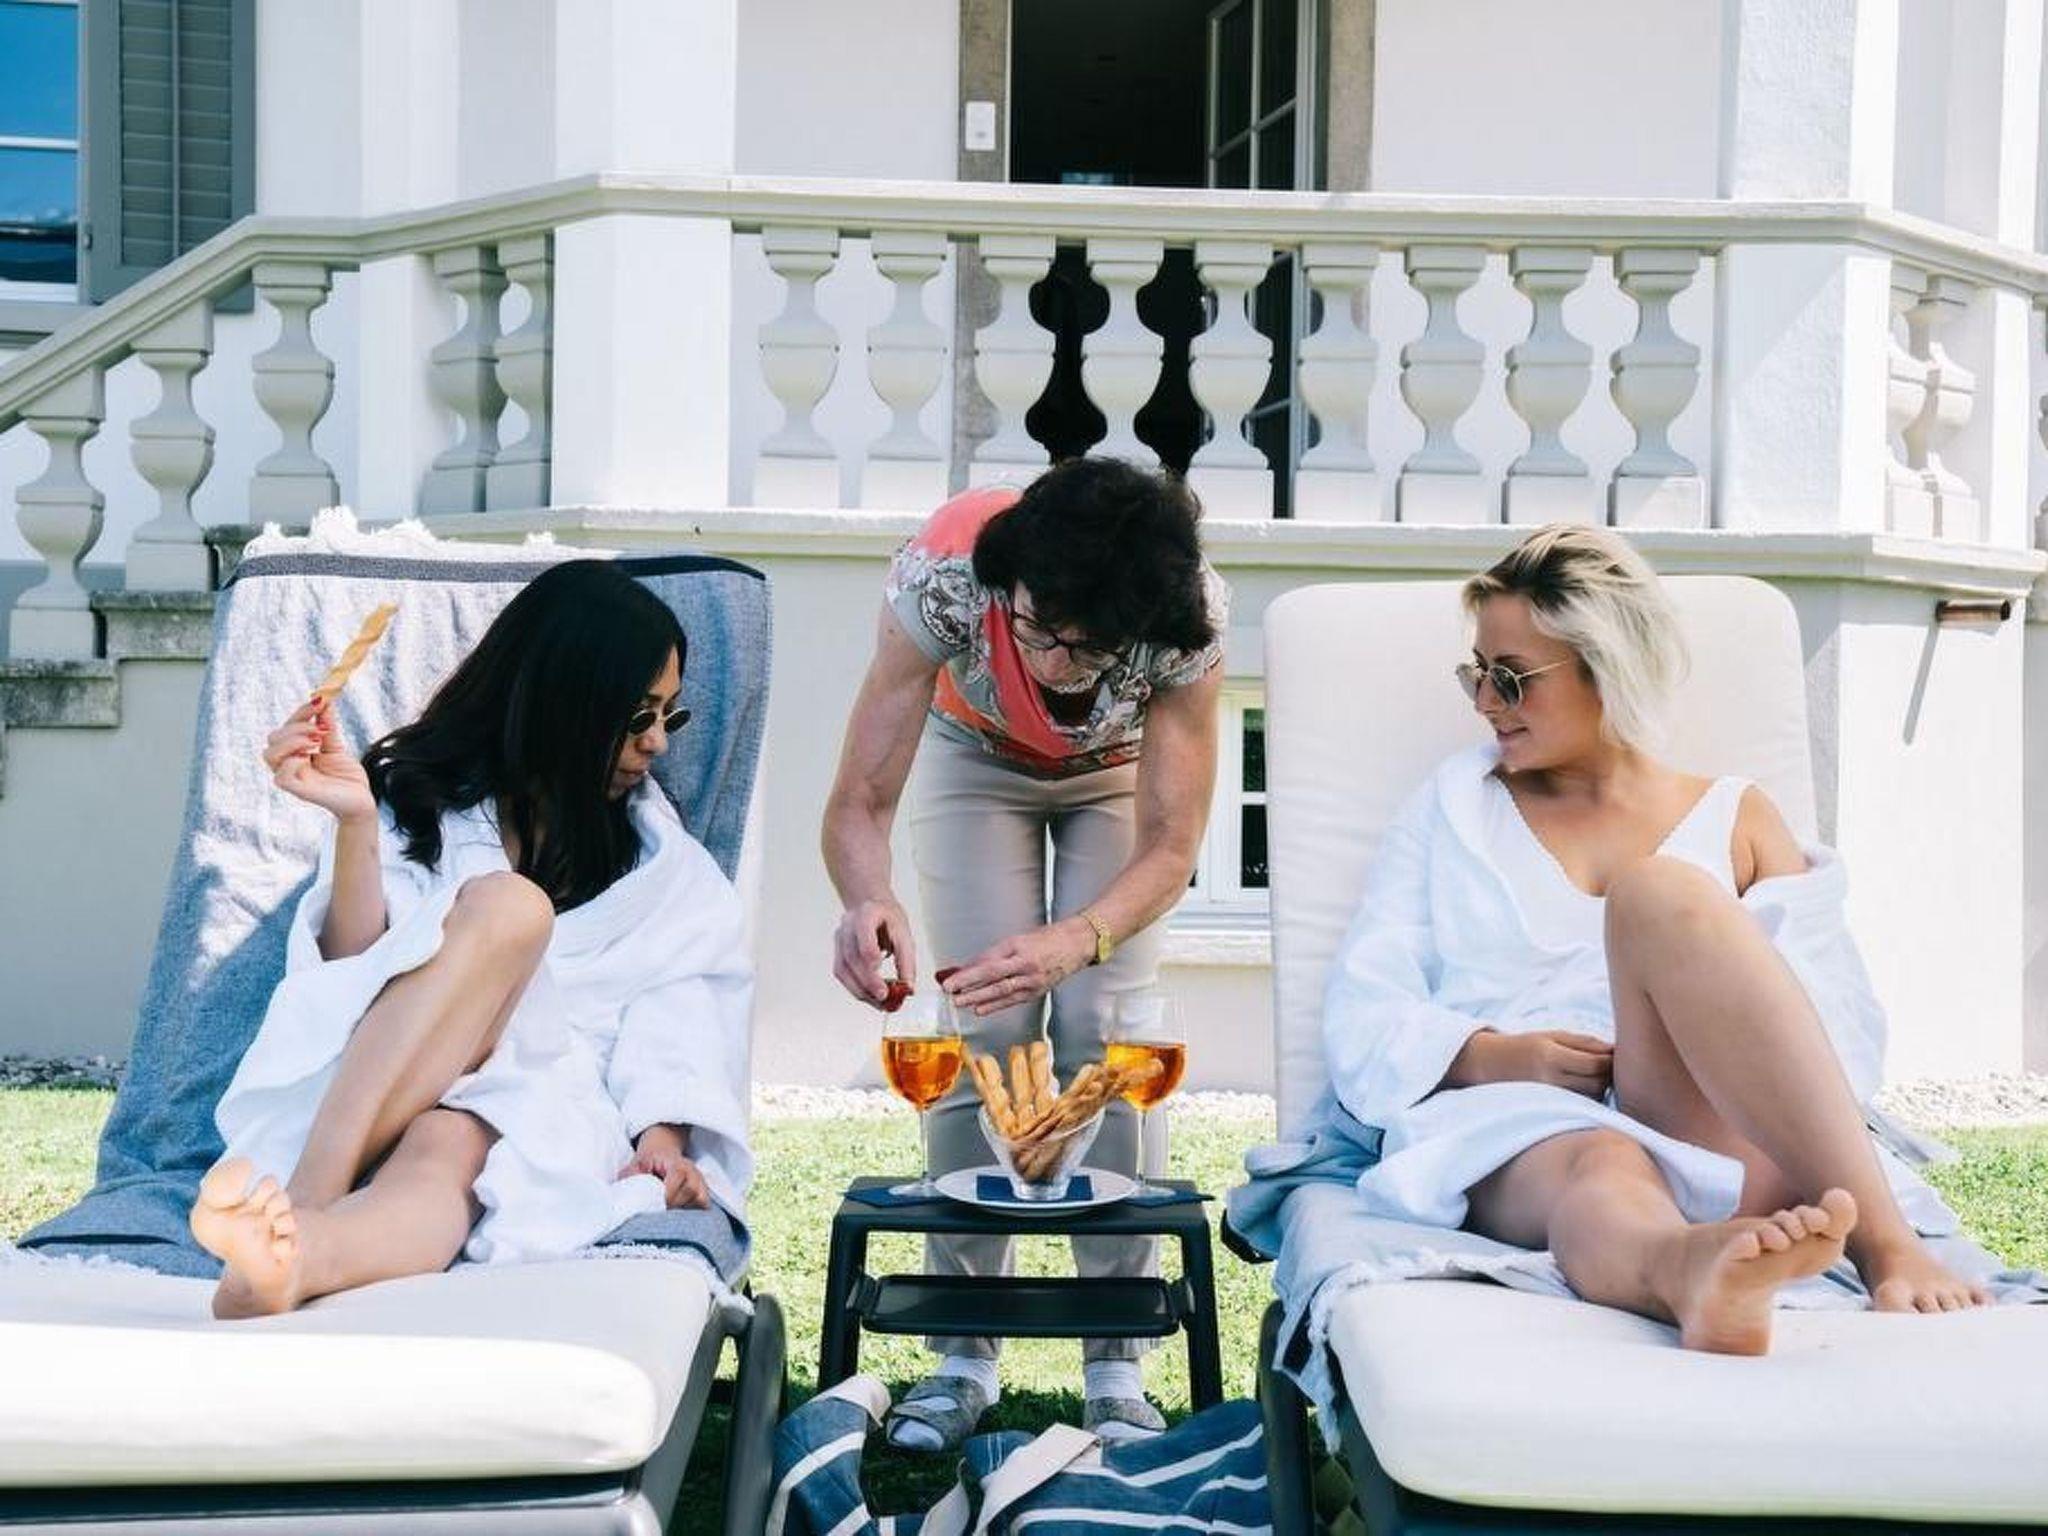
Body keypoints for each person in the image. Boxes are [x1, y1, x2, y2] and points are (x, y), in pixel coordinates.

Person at [1322, 523, 1984, 1354]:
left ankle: (1886, 1246)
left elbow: (1838, 1029)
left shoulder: (1736, 818)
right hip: (1533, 1123)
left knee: (1659, 892)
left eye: (1510, 678)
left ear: (1608, 667)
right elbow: (1365, 1006)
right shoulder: (1454, 810)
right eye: (1475, 675)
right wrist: (1491, 1056)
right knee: (1599, 1166)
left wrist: (1697, 1044)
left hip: (1719, 1125)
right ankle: (1686, 1269)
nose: (1485, 702)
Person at [190, 560, 753, 1319]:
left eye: (668, 717)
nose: (656, 743)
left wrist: (661, 1141)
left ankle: (294, 1257)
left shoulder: (663, 871)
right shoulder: (419, 799)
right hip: (374, 1080)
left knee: (451, 1151)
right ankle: (308, 1200)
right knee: (512, 909)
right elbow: (348, 977)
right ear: (567, 703)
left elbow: (680, 1013)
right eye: (637, 716)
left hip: (531, 1100)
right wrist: (355, 823)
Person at [822, 457, 1226, 1446]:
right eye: (1037, 627)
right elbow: (859, 800)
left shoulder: (1188, 618)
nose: (1051, 660)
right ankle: (963, 1354)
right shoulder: (945, 579)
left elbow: (1171, 847)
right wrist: (867, 898)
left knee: (1105, 1037)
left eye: (1085, 644)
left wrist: (1078, 938)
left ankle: (1115, 1361)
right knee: (987, 1024)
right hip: (975, 760)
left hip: (1117, 775)